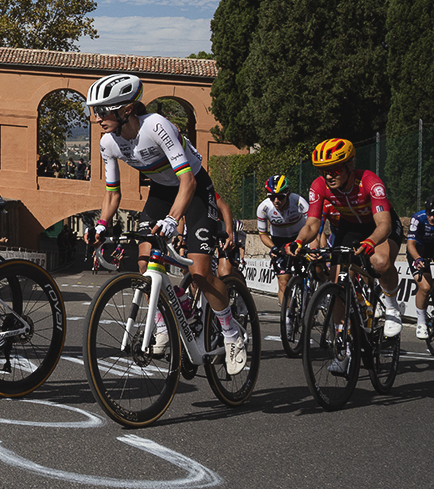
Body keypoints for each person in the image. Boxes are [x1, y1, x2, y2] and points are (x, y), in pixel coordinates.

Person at [86, 73, 246, 376]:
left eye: (103, 111)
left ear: (126, 110)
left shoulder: (156, 126)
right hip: (161, 191)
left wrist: (174, 220)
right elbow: (112, 193)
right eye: (95, 111)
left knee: (199, 272)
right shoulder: (108, 141)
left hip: (195, 188)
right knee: (146, 265)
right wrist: (101, 225)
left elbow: (186, 180)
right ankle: (162, 324)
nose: (97, 119)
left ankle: (230, 332)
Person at [285, 138, 406, 343]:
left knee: (380, 262)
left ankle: (392, 308)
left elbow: (384, 225)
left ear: (350, 165)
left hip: (379, 225)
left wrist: (371, 242)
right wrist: (298, 242)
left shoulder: (369, 181)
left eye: (335, 169)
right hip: (350, 227)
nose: (329, 175)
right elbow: (312, 225)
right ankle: (342, 344)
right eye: (324, 170)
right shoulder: (319, 186)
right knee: (336, 282)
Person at [256, 176, 308, 306]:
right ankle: (287, 320)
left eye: (281, 196)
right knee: (283, 281)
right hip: (279, 241)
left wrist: (313, 245)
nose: (276, 200)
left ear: (288, 194)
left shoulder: (299, 202)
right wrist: (273, 248)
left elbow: (313, 226)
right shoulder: (263, 208)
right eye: (272, 197)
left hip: (300, 237)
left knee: (314, 268)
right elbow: (263, 234)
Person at [406, 194, 434, 341]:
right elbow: (410, 244)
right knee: (425, 287)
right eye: (430, 214)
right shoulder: (418, 218)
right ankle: (421, 322)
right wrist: (417, 259)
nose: (432, 218)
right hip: (418, 250)